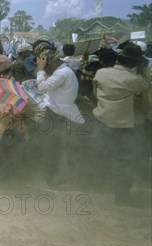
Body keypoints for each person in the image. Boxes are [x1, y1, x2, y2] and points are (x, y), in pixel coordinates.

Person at [92, 43, 150, 205]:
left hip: (101, 120)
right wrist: (143, 70)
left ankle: (96, 186)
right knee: (125, 160)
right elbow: (146, 85)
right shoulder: (134, 80)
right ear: (137, 63)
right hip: (123, 126)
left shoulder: (101, 72)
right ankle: (121, 196)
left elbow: (95, 93)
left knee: (103, 156)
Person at [35, 49, 85, 185]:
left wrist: (40, 70)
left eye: (48, 65)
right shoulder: (64, 71)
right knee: (59, 147)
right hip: (62, 113)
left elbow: (42, 87)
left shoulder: (61, 73)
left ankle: (52, 179)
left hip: (58, 115)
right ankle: (57, 177)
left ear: (56, 61)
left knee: (53, 148)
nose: (47, 67)